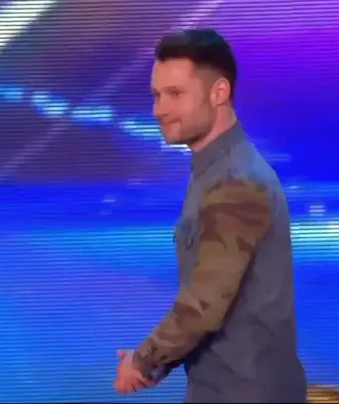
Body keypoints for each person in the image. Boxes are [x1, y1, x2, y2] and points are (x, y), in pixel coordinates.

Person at [113, 28, 307, 402]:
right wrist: (153, 361)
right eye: (156, 95)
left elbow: (205, 303)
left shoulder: (236, 181)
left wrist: (143, 361)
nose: (159, 110)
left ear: (219, 92)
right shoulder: (217, 172)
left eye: (175, 94)